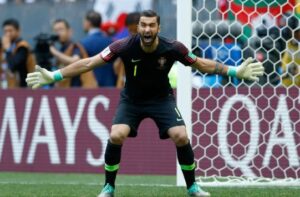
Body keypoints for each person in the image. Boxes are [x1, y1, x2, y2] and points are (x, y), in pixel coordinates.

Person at [26, 10, 264, 197]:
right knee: (116, 135)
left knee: (181, 136)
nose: (147, 29)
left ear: (158, 27)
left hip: (161, 99)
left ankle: (192, 188)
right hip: (132, 100)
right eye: (143, 25)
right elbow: (89, 63)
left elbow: (201, 64)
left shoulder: (173, 47)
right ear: (138, 27)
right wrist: (55, 75)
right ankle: (108, 188)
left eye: (152, 25)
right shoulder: (123, 46)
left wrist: (234, 70)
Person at [50, 19, 97, 88]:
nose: (58, 33)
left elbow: (75, 61)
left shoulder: (75, 46)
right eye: (56, 31)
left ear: (69, 31)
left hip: (77, 89)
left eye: (61, 29)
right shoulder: (61, 49)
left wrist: (54, 51)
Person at [81, 10, 116, 87]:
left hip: (91, 87)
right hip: (110, 85)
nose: (83, 24)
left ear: (88, 23)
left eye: (84, 21)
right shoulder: (111, 41)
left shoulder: (83, 43)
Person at [1, 18, 35, 88]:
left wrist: (8, 49)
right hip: (7, 87)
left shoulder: (23, 47)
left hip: (23, 88)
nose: (8, 34)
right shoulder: (5, 46)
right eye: (5, 31)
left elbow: (13, 66)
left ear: (18, 30)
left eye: (10, 31)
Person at [113, 12, 141, 88]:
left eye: (135, 31)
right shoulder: (127, 45)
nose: (133, 34)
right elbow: (117, 69)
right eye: (130, 31)